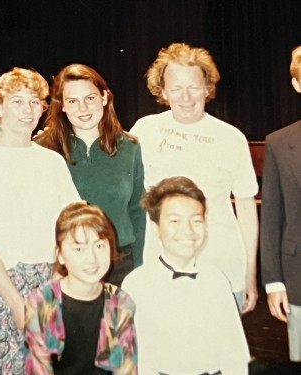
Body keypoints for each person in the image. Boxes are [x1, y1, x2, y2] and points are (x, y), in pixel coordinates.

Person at [0, 67, 80, 374]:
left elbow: (70, 230)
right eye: (17, 101)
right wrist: (17, 304)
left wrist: (54, 290)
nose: (27, 110)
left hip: (48, 285)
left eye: (35, 102)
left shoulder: (52, 162)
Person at [129, 42, 259, 313]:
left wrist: (250, 273)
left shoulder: (231, 138)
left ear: (208, 88)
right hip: (159, 269)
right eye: (176, 89)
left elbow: (246, 209)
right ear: (162, 91)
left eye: (194, 87)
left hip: (223, 267)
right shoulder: (144, 131)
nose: (186, 98)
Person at [122, 176, 250, 374]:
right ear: (156, 227)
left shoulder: (216, 280)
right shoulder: (136, 285)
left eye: (196, 221)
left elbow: (234, 355)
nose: (188, 230)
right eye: (175, 221)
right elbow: (134, 358)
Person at [36, 64, 146, 287]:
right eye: (72, 101)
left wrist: (141, 269)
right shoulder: (41, 149)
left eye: (90, 98)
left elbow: (138, 212)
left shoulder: (130, 147)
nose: (82, 108)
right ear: (62, 106)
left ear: (104, 98)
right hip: (65, 266)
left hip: (120, 266)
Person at [25, 201, 137, 375]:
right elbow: (39, 370)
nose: (92, 258)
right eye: (79, 249)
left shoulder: (119, 302)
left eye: (99, 246)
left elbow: (125, 370)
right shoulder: (43, 302)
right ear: (60, 255)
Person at [261, 44, 301, 362]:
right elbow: (271, 216)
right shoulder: (278, 142)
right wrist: (273, 280)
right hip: (298, 277)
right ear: (297, 84)